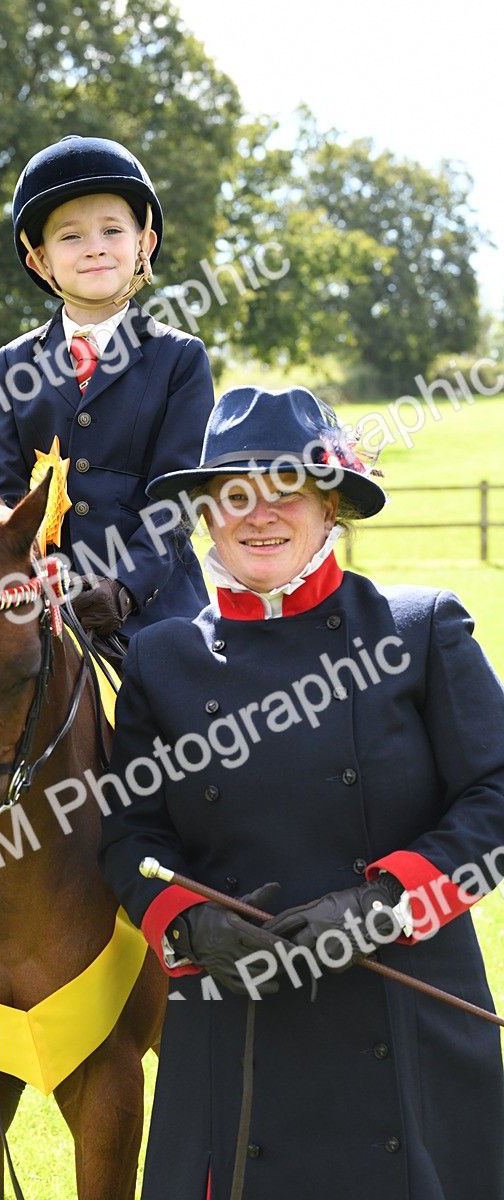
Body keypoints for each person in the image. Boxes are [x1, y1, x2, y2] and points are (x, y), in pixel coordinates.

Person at [99, 385, 504, 1200]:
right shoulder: (159, 657)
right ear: (207, 514)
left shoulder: (419, 629)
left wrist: (379, 905)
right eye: (235, 496)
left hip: (407, 1019)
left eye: (288, 491)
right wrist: (191, 924)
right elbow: (129, 838)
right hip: (232, 1019)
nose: (262, 515)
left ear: (330, 509)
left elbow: (495, 797)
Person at [0, 135, 213, 645]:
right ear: (39, 260)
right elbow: (4, 489)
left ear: (143, 245)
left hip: (153, 607)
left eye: (112, 230)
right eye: (70, 237)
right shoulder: (14, 363)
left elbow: (175, 504)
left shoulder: (180, 358)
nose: (94, 247)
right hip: (40, 602)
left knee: (180, 709)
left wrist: (124, 589)